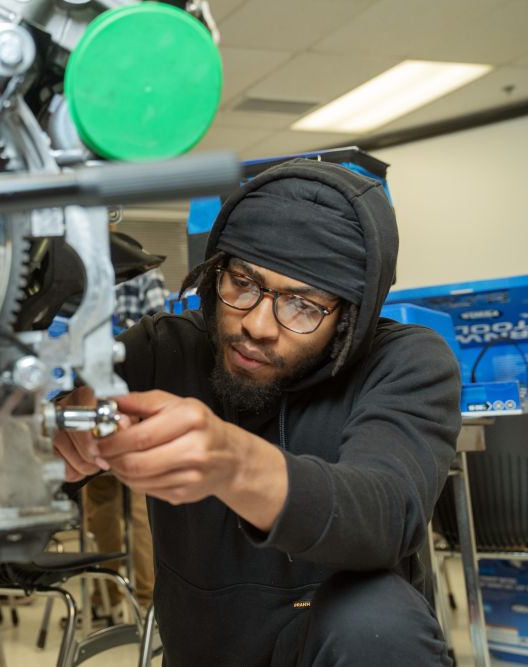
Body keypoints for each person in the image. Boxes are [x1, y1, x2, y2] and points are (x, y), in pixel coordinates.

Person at [55, 159, 461, 666]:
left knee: (374, 618)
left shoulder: (405, 363)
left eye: (303, 306)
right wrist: (54, 444)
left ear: (349, 318)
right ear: (213, 273)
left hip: (350, 652)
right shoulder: (164, 351)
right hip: (207, 651)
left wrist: (234, 463)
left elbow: (385, 513)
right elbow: (19, 479)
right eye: (243, 283)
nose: (259, 325)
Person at [84, 264, 169, 613]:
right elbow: (162, 328)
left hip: (121, 399)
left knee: (135, 509)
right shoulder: (141, 275)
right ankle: (120, 600)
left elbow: (162, 328)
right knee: (112, 510)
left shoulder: (134, 272)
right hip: (102, 399)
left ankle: (134, 603)